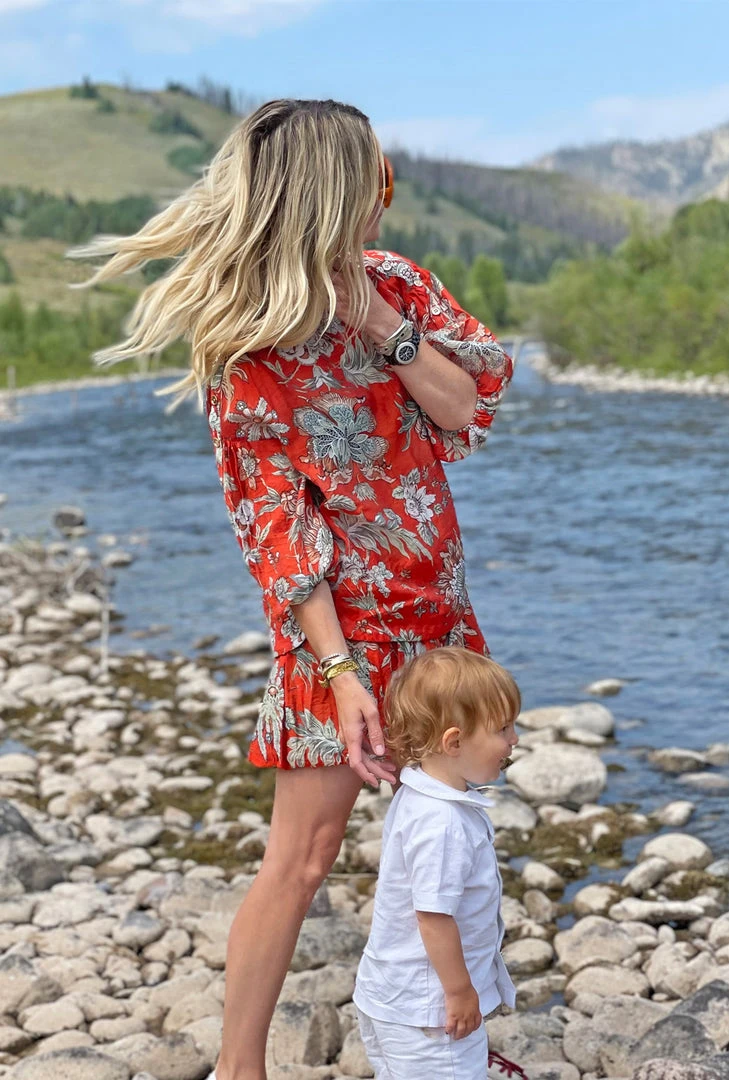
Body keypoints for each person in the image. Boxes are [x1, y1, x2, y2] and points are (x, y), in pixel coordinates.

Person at [69, 98, 513, 1080]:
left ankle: (456, 1038)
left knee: (450, 829)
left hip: (439, 620)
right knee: (302, 861)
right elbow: (274, 522)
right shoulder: (251, 341)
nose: (383, 195)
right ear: (331, 189)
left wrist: (385, 325)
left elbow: (471, 406)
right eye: (370, 176)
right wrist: (343, 674)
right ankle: (240, 1068)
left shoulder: (398, 284)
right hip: (338, 640)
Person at [354, 647, 520, 1079]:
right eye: (503, 729)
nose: (515, 739)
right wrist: (460, 991)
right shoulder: (443, 823)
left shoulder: (418, 795)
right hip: (428, 1011)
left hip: (393, 997)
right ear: (454, 742)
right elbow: (432, 916)